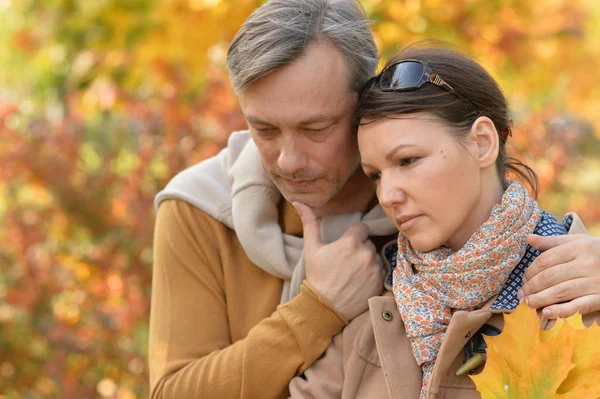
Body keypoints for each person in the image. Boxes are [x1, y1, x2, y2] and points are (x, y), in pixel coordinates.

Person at [148, 1, 600, 398]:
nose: (287, 159)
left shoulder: (443, 227)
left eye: (316, 128)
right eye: (263, 129)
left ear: (362, 110)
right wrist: (316, 311)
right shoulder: (198, 208)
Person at [288, 43, 600, 399]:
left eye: (407, 161)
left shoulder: (579, 299)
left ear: (482, 143)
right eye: (375, 175)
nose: (387, 195)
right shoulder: (372, 296)